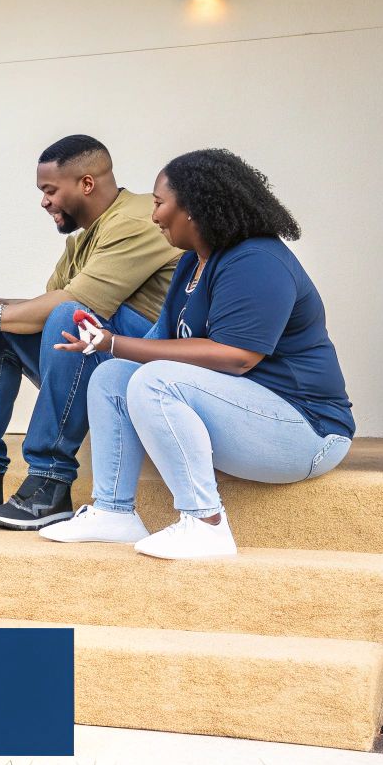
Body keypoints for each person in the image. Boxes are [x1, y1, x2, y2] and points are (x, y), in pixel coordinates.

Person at [42, 148, 354, 560]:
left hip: (307, 433)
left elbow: (237, 356)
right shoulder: (193, 264)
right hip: (243, 417)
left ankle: (205, 524)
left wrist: (114, 342)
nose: (153, 215)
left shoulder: (257, 261)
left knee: (155, 380)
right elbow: (157, 342)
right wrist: (103, 340)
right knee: (113, 375)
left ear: (194, 209)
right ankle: (113, 511)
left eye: (159, 203)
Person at [0, 135, 181, 529]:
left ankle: (50, 483)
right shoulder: (86, 236)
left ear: (86, 184)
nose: (44, 201)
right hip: (94, 355)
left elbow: (73, 304)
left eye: (50, 190)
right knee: (3, 329)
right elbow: (49, 305)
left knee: (56, 314)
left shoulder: (134, 220)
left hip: (148, 365)